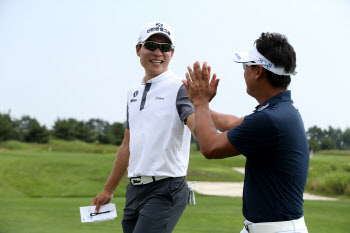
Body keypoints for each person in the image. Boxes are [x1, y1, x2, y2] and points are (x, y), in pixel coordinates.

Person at [184, 32, 309, 233]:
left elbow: (209, 147)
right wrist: (192, 102)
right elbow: (230, 123)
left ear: (258, 71)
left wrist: (200, 102)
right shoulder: (279, 110)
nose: (244, 72)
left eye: (246, 66)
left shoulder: (269, 119)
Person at [91, 21, 196, 233]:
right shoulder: (133, 92)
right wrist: (108, 189)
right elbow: (128, 144)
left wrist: (201, 103)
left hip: (167, 187)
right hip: (135, 189)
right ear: (138, 49)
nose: (158, 52)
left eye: (165, 47)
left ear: (172, 53)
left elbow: (199, 131)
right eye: (151, 45)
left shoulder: (180, 88)